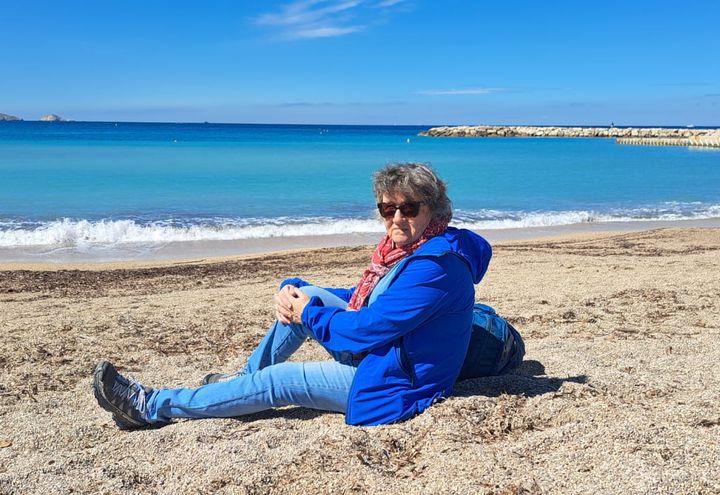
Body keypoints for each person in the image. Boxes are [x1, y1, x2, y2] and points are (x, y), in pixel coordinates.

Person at [93, 163, 492, 428]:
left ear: (434, 210)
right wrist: (298, 292)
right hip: (387, 350)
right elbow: (367, 298)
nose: (397, 219)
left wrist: (308, 315)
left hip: (390, 378)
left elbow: (367, 329)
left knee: (279, 382)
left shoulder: (436, 265)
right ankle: (241, 386)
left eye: (409, 208)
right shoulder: (411, 251)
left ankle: (152, 406)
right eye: (388, 210)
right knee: (306, 294)